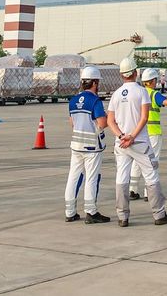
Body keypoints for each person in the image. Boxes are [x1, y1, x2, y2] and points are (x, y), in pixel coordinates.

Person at [108, 56, 167, 227]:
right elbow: (144, 118)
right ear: (135, 73)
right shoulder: (142, 92)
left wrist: (122, 136)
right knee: (151, 175)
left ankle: (122, 216)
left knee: (122, 177)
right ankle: (159, 214)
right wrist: (132, 137)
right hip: (140, 142)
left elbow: (110, 121)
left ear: (122, 75)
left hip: (120, 144)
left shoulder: (115, 94)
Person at [130, 67, 167, 201]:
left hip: (138, 132)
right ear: (152, 81)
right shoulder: (153, 94)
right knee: (152, 162)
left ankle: (132, 190)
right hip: (153, 133)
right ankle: (148, 192)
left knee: (137, 161)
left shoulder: (138, 93)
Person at [64, 67, 110, 224]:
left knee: (73, 176)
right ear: (95, 83)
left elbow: (72, 122)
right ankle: (91, 211)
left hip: (76, 145)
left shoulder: (73, 100)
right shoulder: (95, 101)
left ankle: (70, 212)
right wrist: (108, 117)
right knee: (92, 177)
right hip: (92, 147)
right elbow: (102, 123)